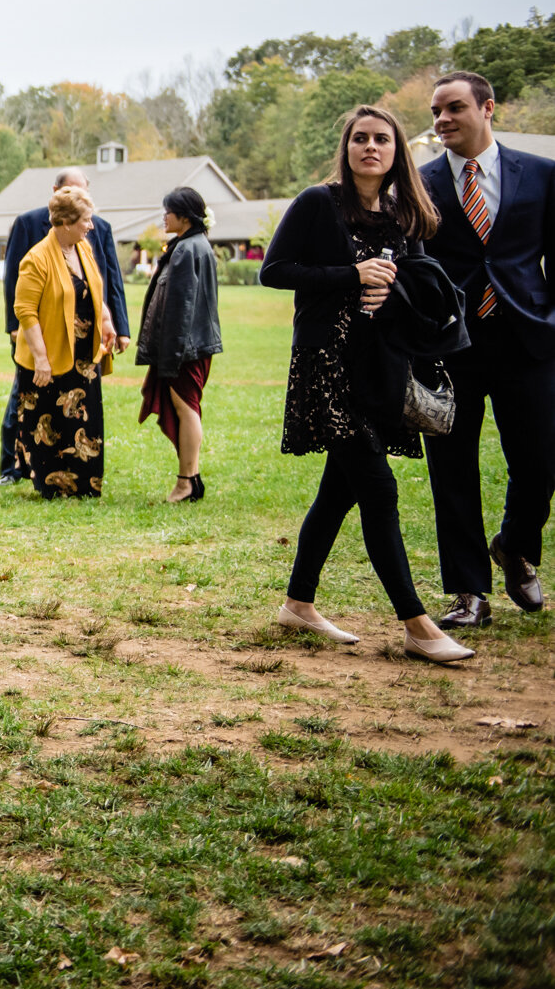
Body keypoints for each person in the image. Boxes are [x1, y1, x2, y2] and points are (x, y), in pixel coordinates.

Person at [260, 104, 474, 664]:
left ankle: (297, 605)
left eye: (381, 139)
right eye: (360, 139)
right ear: (347, 148)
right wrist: (350, 277)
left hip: (381, 368)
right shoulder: (317, 202)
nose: (370, 147)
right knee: (377, 488)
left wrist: (393, 287)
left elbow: (425, 284)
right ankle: (418, 625)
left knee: (340, 491)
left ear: (396, 150)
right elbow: (275, 270)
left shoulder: (404, 213)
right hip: (327, 364)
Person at [418, 71, 551, 630]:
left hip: (529, 338)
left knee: (543, 456)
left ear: (488, 107)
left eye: (453, 108)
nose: (441, 120)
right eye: (434, 112)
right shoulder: (418, 184)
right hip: (452, 344)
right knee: (451, 469)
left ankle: (515, 544)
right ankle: (468, 592)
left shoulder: (542, 176)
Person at [0, 170, 129, 483]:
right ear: (68, 221)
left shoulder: (83, 248)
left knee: (83, 415)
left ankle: (84, 479)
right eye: (85, 220)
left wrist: (110, 320)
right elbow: (22, 302)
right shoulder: (37, 250)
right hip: (50, 341)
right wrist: (34, 350)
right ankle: (37, 476)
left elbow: (102, 284)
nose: (91, 226)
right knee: (43, 412)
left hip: (84, 350)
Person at [134, 186, 222, 503]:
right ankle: (191, 480)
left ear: (184, 217)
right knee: (189, 409)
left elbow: (181, 306)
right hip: (193, 345)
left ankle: (186, 482)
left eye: (168, 211)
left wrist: (171, 355)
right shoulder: (194, 245)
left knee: (187, 410)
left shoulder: (187, 250)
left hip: (185, 349)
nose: (164, 216)